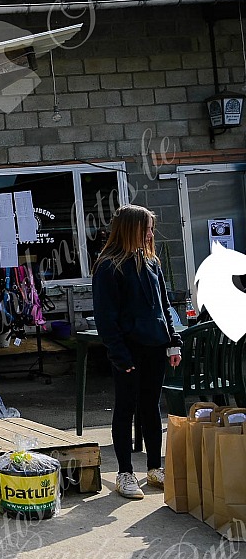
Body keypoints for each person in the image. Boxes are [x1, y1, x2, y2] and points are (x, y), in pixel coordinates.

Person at [91, 204, 182, 499]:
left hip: (156, 346)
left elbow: (163, 305)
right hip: (128, 350)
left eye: (151, 229)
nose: (150, 234)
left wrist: (174, 340)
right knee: (125, 408)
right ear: (131, 229)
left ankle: (155, 468)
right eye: (146, 229)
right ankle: (125, 473)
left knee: (152, 408)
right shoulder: (108, 266)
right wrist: (119, 354)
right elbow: (106, 318)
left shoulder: (152, 262)